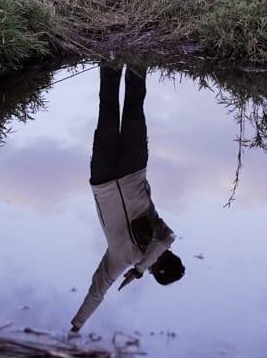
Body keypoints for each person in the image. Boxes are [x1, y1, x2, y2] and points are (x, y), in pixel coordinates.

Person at [70, 64, 185, 332]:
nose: (160, 259)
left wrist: (77, 325)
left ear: (155, 273)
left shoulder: (119, 259)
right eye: (165, 259)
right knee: (135, 106)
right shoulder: (162, 237)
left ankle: (109, 59)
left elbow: (97, 291)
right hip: (134, 169)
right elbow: (167, 240)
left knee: (107, 107)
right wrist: (141, 268)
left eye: (159, 266)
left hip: (103, 178)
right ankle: (136, 57)